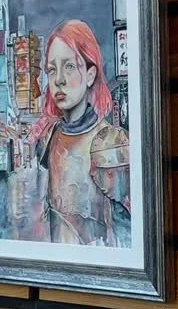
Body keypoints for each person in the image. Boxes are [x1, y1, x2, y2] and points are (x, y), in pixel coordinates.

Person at [28, 20, 131, 247]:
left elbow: (128, 236)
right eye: (52, 70)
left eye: (69, 66)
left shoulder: (111, 142)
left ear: (90, 74)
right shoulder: (49, 137)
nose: (59, 80)